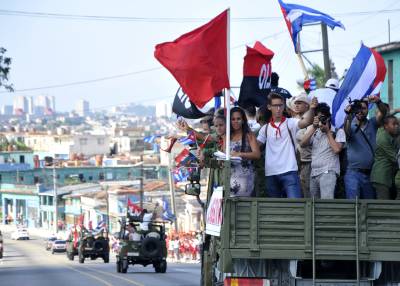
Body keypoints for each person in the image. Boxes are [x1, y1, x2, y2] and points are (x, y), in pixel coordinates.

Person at [257, 93, 318, 198]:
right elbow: (256, 147)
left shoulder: (291, 122)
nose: (278, 108)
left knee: (295, 207)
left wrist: (312, 109)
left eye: (281, 105)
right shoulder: (265, 128)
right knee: (274, 209)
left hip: (290, 171)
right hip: (271, 173)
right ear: (269, 107)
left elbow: (306, 121)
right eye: (275, 105)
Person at [343, 96, 388, 199]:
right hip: (353, 173)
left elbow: (384, 112)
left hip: (370, 173)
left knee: (369, 207)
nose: (360, 111)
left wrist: (378, 101)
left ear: (368, 110)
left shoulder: (372, 123)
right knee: (354, 206)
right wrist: (348, 115)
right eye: (357, 108)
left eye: (363, 108)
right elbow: (346, 131)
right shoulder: (350, 125)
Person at [299, 103, 346, 199]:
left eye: (323, 117)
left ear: (328, 117)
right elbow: (302, 144)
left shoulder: (338, 131)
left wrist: (328, 132)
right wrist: (314, 127)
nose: (321, 120)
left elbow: (337, 149)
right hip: (313, 173)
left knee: (326, 203)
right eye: (318, 117)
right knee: (313, 206)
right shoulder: (314, 131)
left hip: (328, 172)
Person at [229, 106, 260, 197]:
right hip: (229, 176)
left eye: (238, 119)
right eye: (233, 119)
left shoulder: (249, 135)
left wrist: (240, 154)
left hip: (245, 177)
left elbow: (257, 154)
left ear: (243, 120)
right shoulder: (227, 136)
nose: (235, 121)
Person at [370, 115, 399, 199]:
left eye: (397, 124)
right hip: (381, 176)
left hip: (387, 175)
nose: (396, 126)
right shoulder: (382, 138)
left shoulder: (387, 132)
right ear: (386, 126)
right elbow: (395, 158)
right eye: (394, 124)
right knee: (383, 206)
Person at [293, 93, 312, 197]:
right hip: (294, 164)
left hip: (308, 163)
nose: (296, 105)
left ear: (307, 106)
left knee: (308, 195)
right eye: (295, 103)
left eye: (299, 103)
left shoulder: (312, 121)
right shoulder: (293, 121)